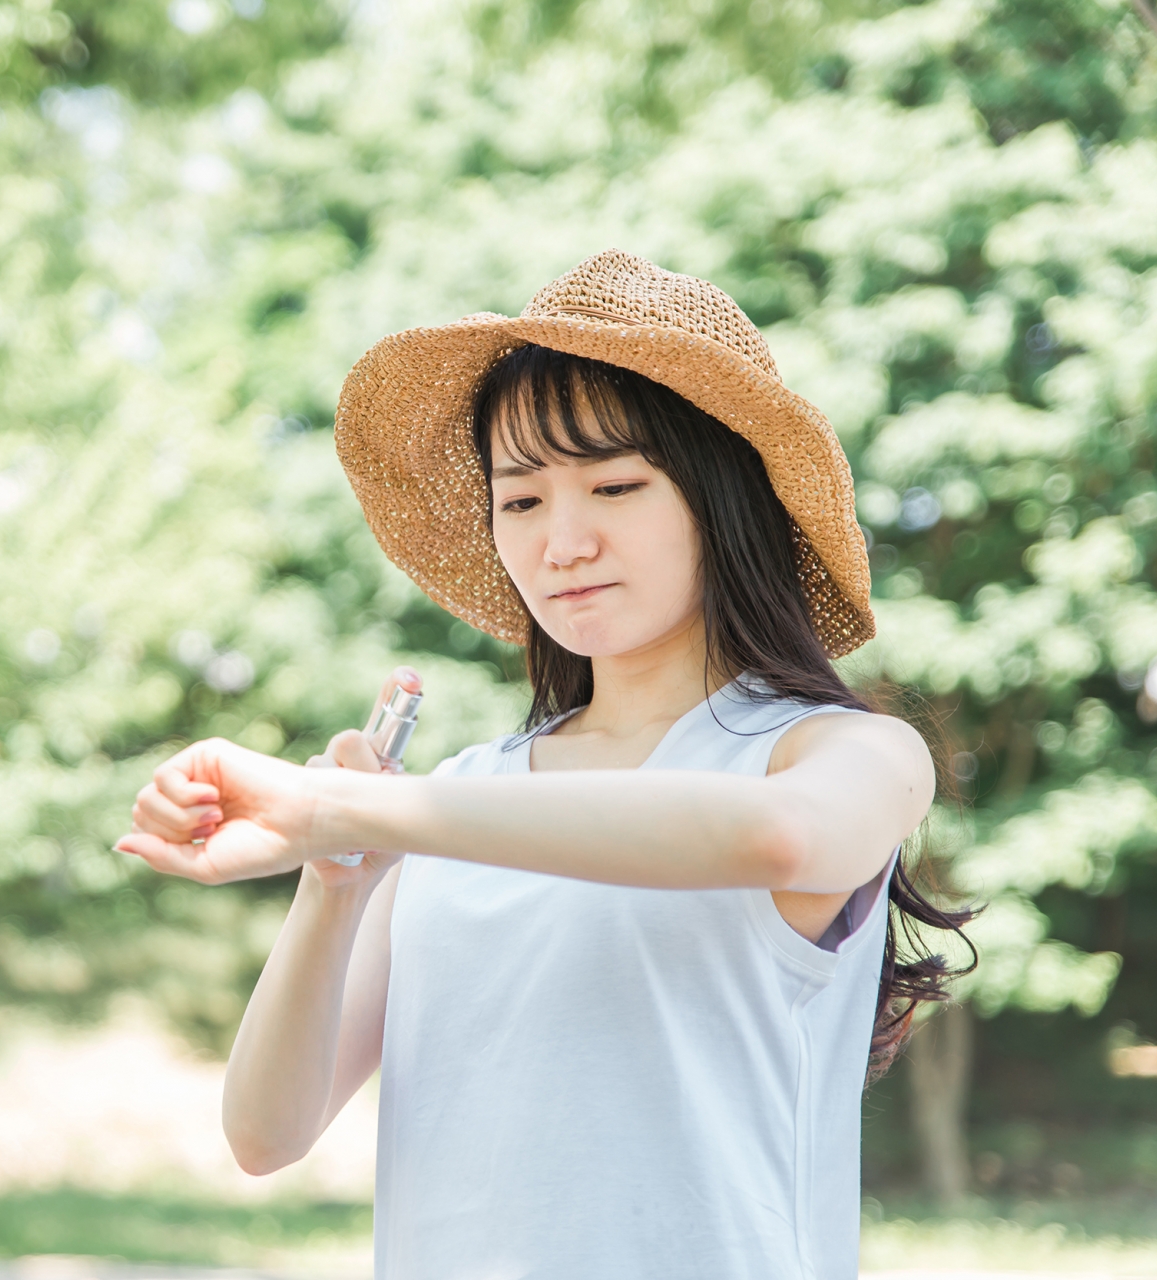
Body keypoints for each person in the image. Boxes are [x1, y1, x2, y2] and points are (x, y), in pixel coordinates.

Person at [115, 249, 974, 1280]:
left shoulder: (844, 750)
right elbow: (264, 1133)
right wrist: (333, 876)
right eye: (520, 499)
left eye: (615, 484)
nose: (563, 539)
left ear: (724, 498)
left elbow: (778, 834)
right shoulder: (451, 799)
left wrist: (350, 804)